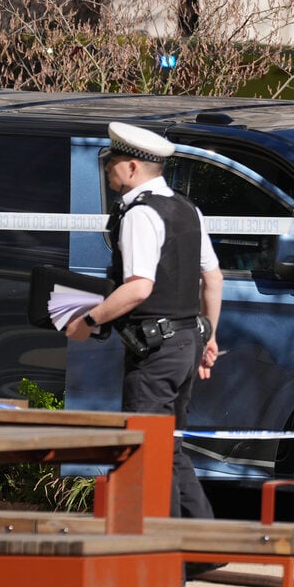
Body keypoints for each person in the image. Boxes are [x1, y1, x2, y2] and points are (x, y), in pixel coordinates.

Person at [65, 121, 223, 524]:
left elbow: (138, 289)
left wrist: (89, 319)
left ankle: (163, 559)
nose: (107, 169)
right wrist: (210, 338)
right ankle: (202, 547)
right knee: (167, 449)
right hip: (185, 343)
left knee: (147, 452)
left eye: (112, 161)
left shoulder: (139, 213)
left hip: (156, 351)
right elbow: (213, 277)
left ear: (132, 167)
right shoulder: (188, 208)